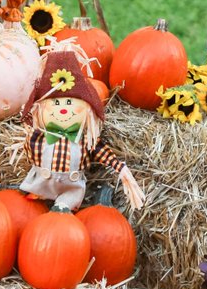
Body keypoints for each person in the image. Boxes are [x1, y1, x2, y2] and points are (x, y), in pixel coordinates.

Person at [19, 49, 143, 211]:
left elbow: (103, 154)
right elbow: (31, 152)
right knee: (27, 206)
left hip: (71, 188)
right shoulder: (41, 137)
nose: (63, 109)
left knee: (65, 206)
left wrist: (121, 169)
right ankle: (35, 193)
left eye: (70, 103)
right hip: (41, 183)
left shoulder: (85, 141)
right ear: (39, 110)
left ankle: (63, 206)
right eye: (56, 104)